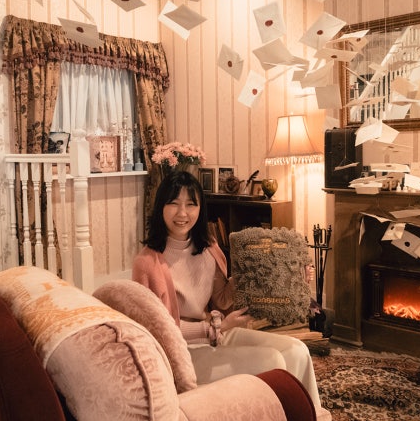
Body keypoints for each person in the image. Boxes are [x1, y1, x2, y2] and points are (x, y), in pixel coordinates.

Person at [132, 170, 327, 418]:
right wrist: (215, 327)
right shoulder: (147, 263)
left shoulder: (208, 247)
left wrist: (291, 278)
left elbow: (222, 299)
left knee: (297, 351)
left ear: (201, 208)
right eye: (174, 203)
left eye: (191, 204)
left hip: (218, 333)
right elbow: (154, 331)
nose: (182, 213)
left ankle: (311, 415)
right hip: (182, 351)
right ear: (160, 207)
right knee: (272, 361)